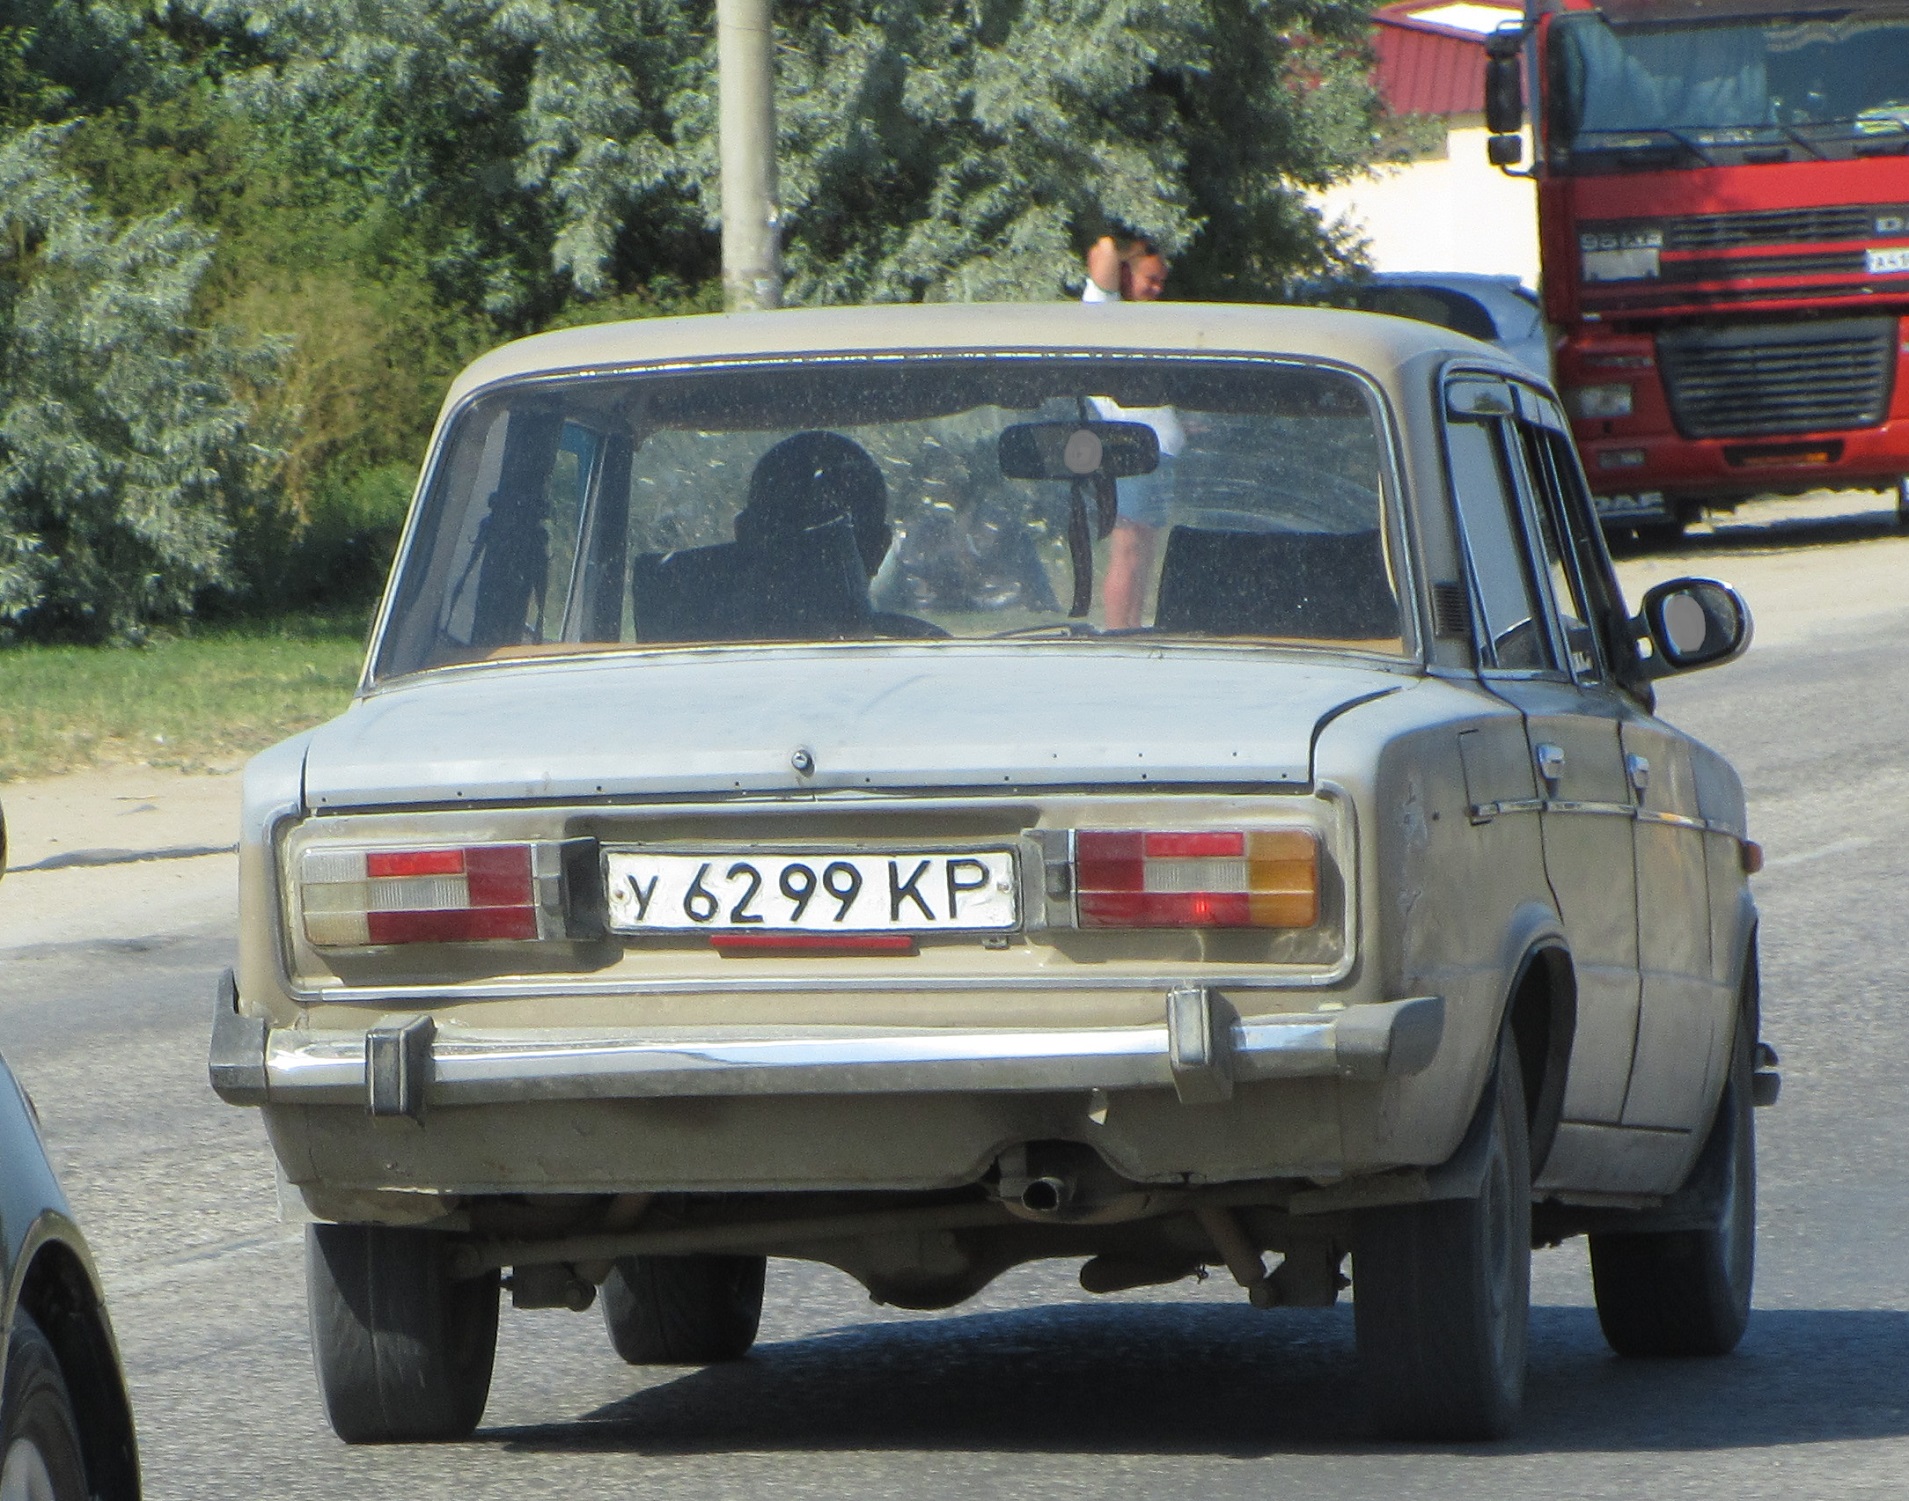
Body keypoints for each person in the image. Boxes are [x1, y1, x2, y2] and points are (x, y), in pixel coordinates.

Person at [1080, 235, 1180, 628]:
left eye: (1161, 283)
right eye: (1149, 279)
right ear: (1124, 274)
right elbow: (1103, 248)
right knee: (1127, 550)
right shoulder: (1103, 307)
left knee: (1144, 553)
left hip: (1159, 454)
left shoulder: (1139, 319)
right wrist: (1131, 250)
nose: (1156, 290)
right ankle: (1119, 631)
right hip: (1129, 452)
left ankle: (1134, 628)